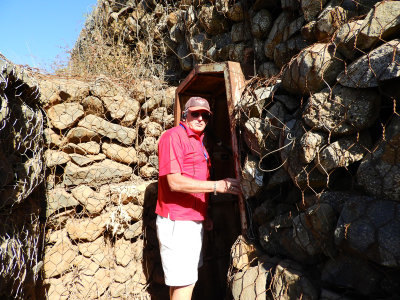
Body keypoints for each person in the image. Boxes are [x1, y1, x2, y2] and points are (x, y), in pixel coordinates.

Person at [155, 96, 241, 300]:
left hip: (192, 219)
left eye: (205, 115)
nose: (200, 118)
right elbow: (174, 182)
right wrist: (217, 186)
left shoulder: (200, 141)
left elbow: (195, 180)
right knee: (184, 283)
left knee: (183, 282)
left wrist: (204, 214)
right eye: (195, 113)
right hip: (178, 222)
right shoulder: (173, 137)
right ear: (185, 115)